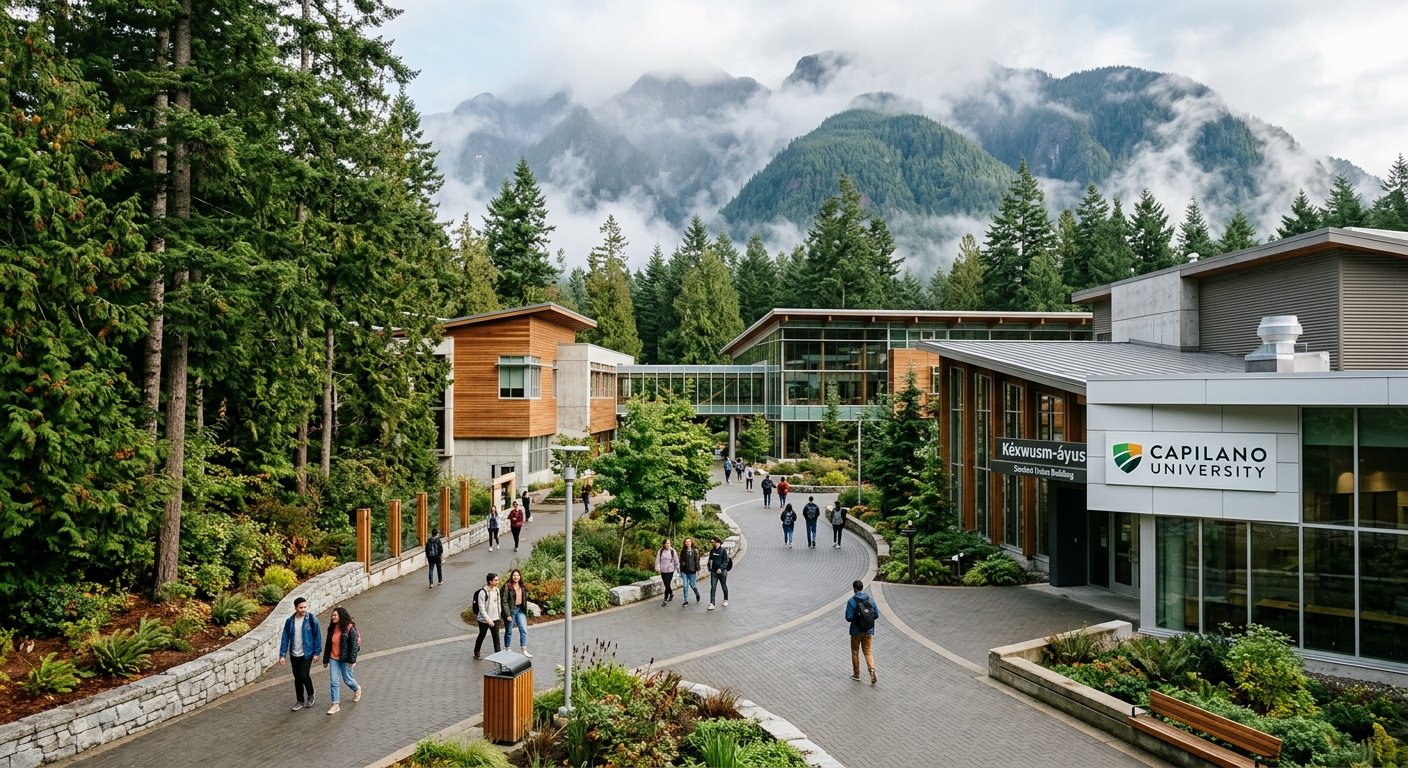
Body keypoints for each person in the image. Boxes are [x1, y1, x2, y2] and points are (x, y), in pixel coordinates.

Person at [278, 596, 322, 711]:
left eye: (305, 607)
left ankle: (311, 694)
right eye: (301, 607)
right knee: (297, 678)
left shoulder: (311, 619)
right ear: (295, 608)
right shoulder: (290, 621)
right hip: (294, 654)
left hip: (307, 653)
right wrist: (282, 655)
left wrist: (317, 652)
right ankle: (300, 700)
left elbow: (317, 636)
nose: (303, 610)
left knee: (303, 675)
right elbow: (285, 638)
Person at [321, 606, 361, 714]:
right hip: (333, 658)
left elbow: (354, 646)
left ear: (341, 616)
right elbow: (328, 645)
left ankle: (357, 689)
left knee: (347, 679)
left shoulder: (349, 628)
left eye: (335, 615)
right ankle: (335, 704)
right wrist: (325, 660)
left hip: (346, 659)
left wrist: (352, 660)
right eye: (332, 615)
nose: (333, 617)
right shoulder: (332, 628)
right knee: (334, 681)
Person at [845, 580, 879, 684]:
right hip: (868, 630)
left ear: (854, 589)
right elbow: (876, 615)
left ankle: (857, 674)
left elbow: (848, 617)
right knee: (867, 651)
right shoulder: (870, 600)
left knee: (855, 652)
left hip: (856, 631)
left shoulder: (852, 601)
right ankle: (872, 669)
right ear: (862, 587)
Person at [501, 569, 532, 658]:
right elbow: (504, 601)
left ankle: (524, 648)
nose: (516, 577)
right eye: (514, 575)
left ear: (520, 576)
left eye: (518, 575)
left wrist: (525, 610)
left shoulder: (522, 586)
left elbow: (524, 599)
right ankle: (507, 648)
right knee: (509, 631)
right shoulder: (507, 587)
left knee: (523, 629)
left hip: (520, 610)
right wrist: (507, 614)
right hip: (511, 610)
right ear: (511, 576)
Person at [473, 572, 503, 660]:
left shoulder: (497, 590)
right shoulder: (483, 593)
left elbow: (498, 603)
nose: (497, 582)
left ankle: (498, 655)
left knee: (496, 637)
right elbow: (481, 608)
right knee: (482, 634)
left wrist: (499, 614)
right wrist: (488, 619)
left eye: (498, 580)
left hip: (495, 617)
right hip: (483, 620)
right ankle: (476, 651)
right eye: (495, 580)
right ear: (490, 581)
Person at [707, 536, 731, 610]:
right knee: (713, 587)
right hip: (714, 571)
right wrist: (710, 567)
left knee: (723, 585)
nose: (713, 544)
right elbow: (710, 560)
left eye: (714, 542)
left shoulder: (723, 551)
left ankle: (726, 599)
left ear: (718, 542)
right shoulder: (712, 551)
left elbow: (726, 561)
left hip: (722, 571)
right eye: (712, 543)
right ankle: (712, 603)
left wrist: (721, 568)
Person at [655, 538, 680, 606]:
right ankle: (671, 593)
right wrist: (658, 567)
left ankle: (665, 599)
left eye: (668, 543)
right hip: (663, 570)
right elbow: (657, 560)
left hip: (670, 570)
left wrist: (677, 567)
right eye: (666, 543)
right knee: (666, 584)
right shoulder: (660, 551)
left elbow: (676, 559)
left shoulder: (672, 551)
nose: (667, 544)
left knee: (667, 584)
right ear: (664, 544)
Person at [679, 537, 702, 606]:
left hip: (692, 571)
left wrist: (698, 569)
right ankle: (686, 600)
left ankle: (697, 594)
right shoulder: (683, 551)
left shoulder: (695, 551)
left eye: (689, 541)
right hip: (684, 571)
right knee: (685, 586)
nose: (688, 543)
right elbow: (681, 560)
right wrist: (681, 568)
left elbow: (697, 561)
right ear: (685, 543)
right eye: (686, 542)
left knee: (693, 585)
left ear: (691, 542)